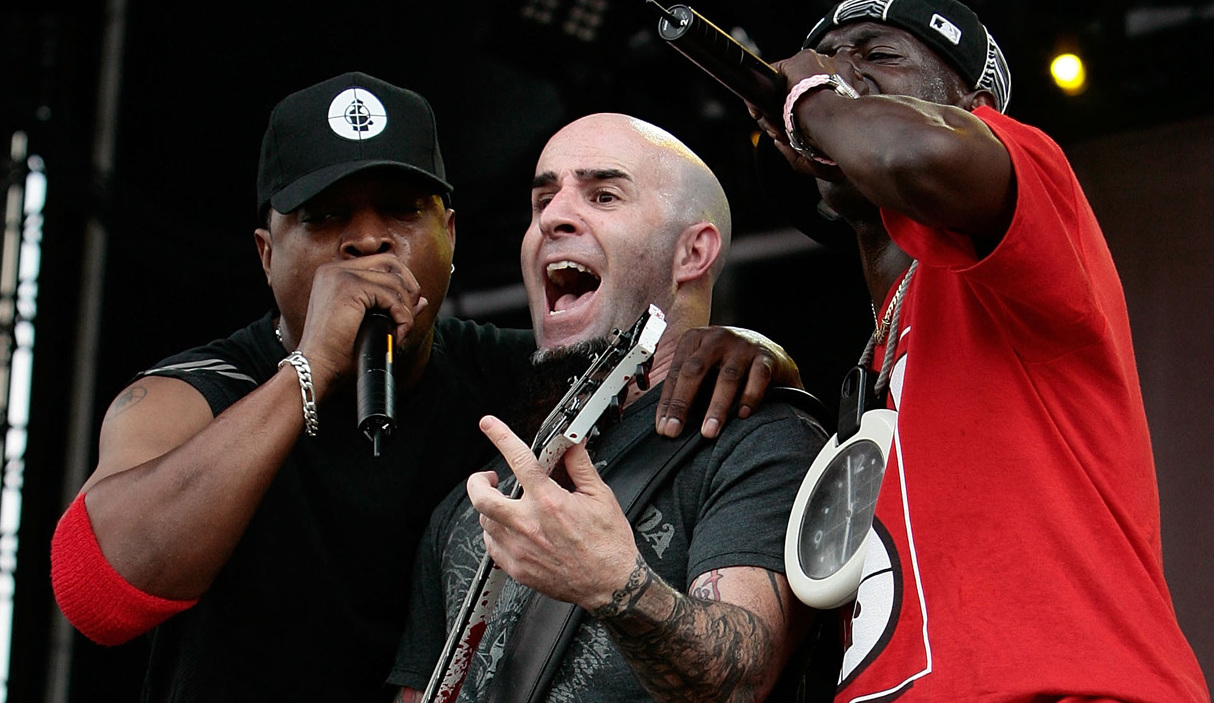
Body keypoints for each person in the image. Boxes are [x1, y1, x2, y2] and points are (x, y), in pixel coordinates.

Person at [48, 73, 798, 703]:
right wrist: (310, 370)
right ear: (266, 251)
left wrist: (751, 350)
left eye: (403, 211)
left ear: (450, 234)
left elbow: (639, 359)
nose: (368, 240)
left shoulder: (516, 379)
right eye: (326, 215)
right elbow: (96, 594)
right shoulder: (200, 390)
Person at [742, 1, 1211, 701]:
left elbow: (914, 154)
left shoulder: (1031, 179)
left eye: (878, 57)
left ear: (973, 105)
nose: (842, 73)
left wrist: (810, 93)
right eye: (829, 57)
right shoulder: (881, 354)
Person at [389, 113, 828, 703]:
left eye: (603, 195)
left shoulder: (762, 440)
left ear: (692, 252)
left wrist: (611, 583)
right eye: (543, 198)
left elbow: (740, 682)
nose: (553, 216)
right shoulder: (478, 503)